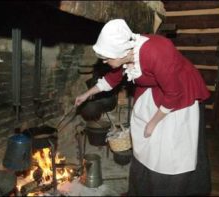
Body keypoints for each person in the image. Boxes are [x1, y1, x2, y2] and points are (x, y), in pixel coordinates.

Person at [74, 19, 211, 196]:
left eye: (107, 58)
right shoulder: (125, 55)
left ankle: (167, 188)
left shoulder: (157, 51)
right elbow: (111, 79)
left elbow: (173, 93)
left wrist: (153, 122)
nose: (105, 62)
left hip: (179, 91)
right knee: (144, 140)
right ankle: (144, 188)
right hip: (154, 90)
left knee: (167, 147)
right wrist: (87, 94)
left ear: (120, 52)